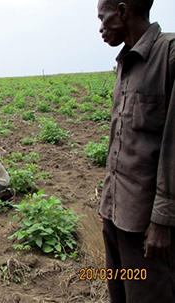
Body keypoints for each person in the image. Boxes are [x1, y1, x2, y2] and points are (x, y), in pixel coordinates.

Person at [97, 0, 175, 301]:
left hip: (147, 227)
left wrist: (162, 221)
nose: (101, 28)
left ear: (123, 12)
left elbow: (171, 147)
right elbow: (119, 142)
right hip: (116, 218)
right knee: (119, 291)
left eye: (103, 19)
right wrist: (107, 203)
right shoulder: (125, 65)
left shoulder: (168, 54)